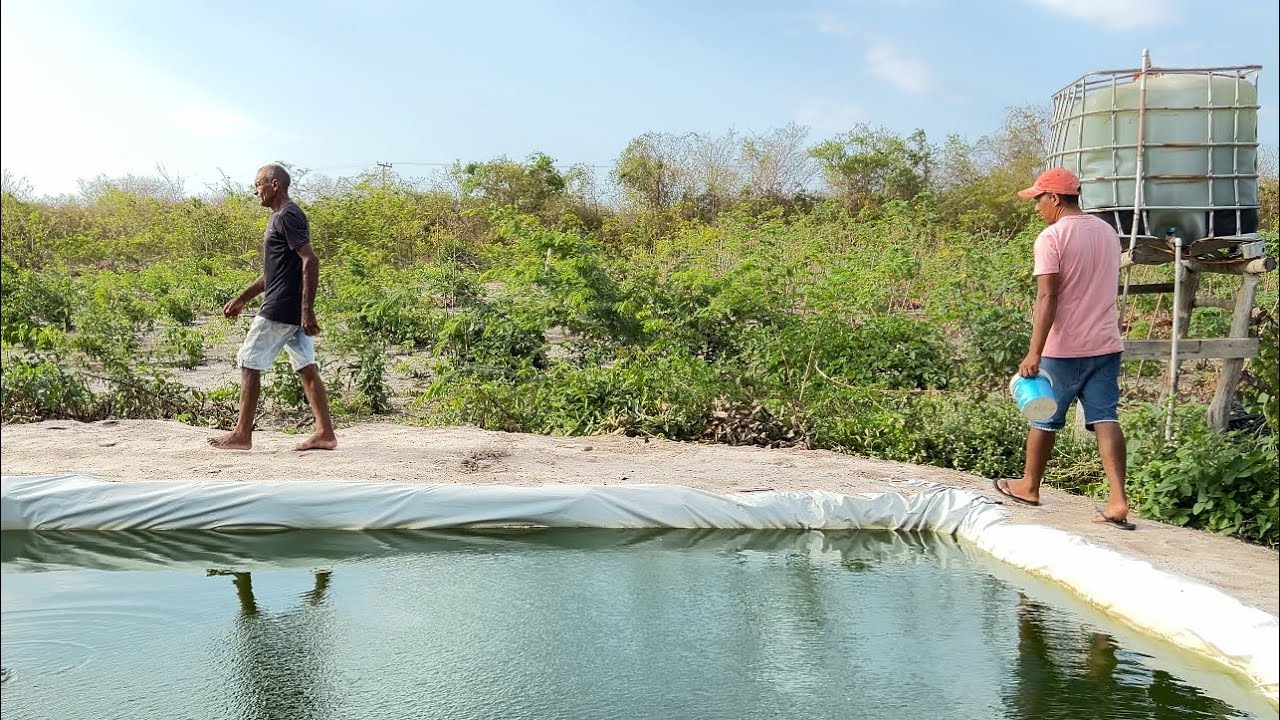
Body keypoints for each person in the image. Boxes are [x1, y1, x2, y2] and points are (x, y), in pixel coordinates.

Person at [992, 168, 1134, 530]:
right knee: (1106, 417)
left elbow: (1048, 295)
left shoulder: (1051, 238)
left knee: (1044, 416)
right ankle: (1117, 501)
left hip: (1065, 347)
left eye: (1039, 198)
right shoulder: (1107, 232)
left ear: (1055, 198)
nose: (1036, 206)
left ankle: (1028, 486)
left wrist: (1033, 352)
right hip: (1105, 343)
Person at [209, 164, 337, 451]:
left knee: (248, 359)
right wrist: (243, 298)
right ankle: (326, 433)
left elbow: (310, 260)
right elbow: (272, 274)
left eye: (258, 185)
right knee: (306, 367)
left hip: (282, 306)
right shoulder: (279, 217)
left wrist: (307, 310)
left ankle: (242, 435)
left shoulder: (289, 215)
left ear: (275, 184)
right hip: (286, 304)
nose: (256, 191)